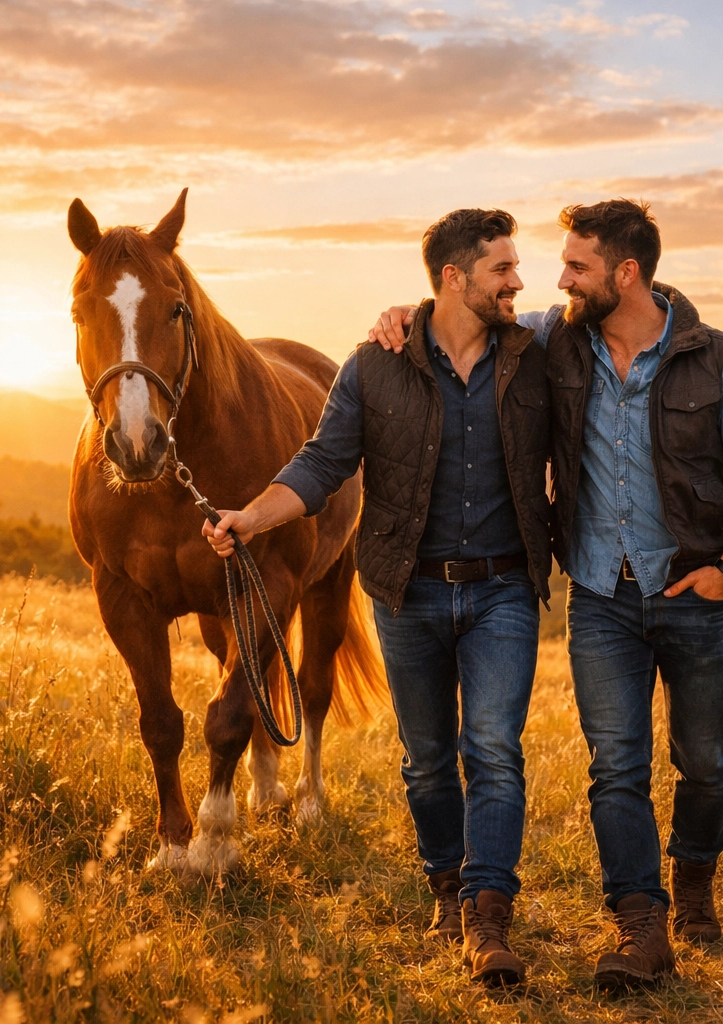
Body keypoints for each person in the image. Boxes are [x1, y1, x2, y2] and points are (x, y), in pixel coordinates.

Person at [366, 198, 723, 989]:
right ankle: (642, 924)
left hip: (695, 594)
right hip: (599, 594)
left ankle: (694, 883)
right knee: (617, 768)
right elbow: (465, 315)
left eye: (576, 266)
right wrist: (401, 315)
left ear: (624, 274)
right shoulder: (556, 339)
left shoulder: (722, 360)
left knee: (703, 764)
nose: (557, 279)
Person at [203, 209, 554, 988]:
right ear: (455, 278)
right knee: (427, 762)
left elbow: (616, 309)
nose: (518, 281)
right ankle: (444, 886)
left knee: (493, 752)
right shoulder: (373, 365)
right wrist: (250, 517)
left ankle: (487, 916)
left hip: (503, 589)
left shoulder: (535, 355)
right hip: (409, 592)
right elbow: (323, 462)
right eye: (503, 269)